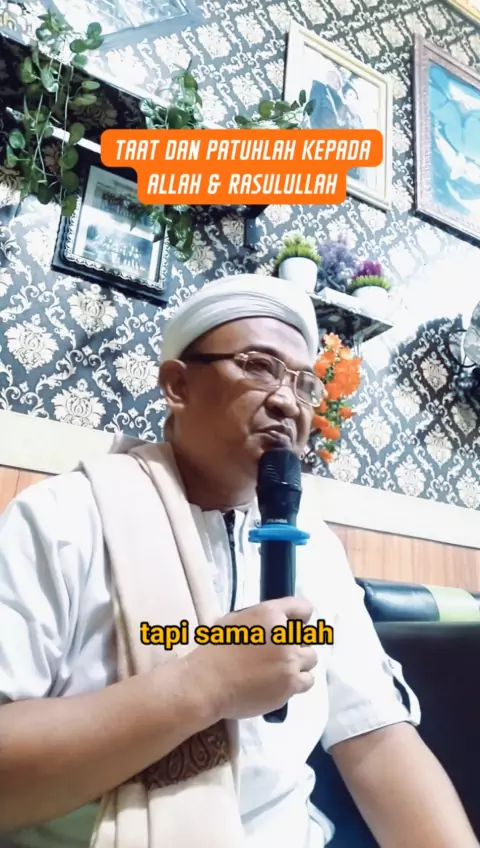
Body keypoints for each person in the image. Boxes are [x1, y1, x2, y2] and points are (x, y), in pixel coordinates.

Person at [0, 273, 477, 848]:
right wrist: (203, 686)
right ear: (178, 384)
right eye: (258, 366)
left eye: (303, 384)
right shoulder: (64, 518)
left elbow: (377, 740)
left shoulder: (315, 546)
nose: (287, 401)